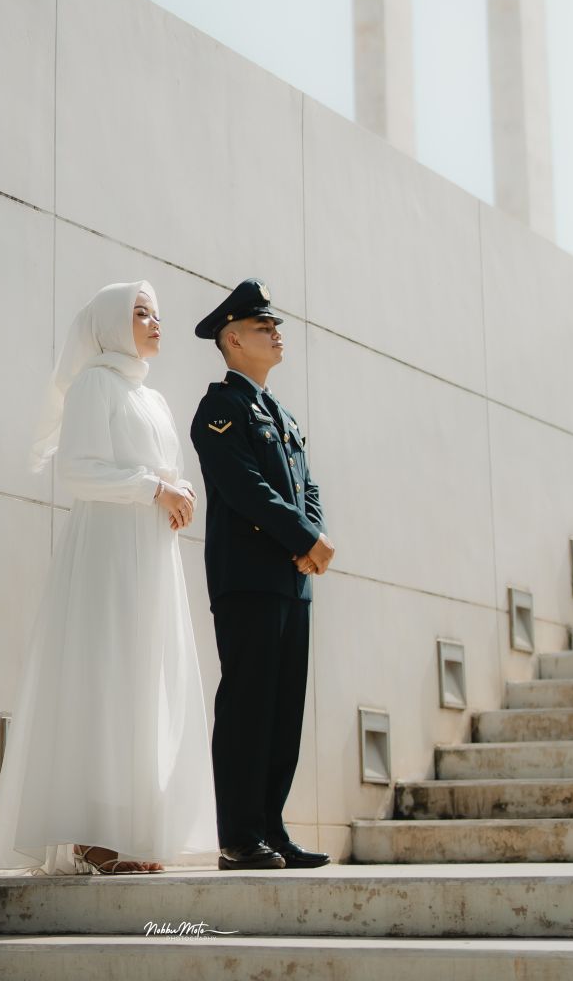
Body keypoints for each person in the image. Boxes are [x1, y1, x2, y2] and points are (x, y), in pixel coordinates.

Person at [0, 280, 215, 875]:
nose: (155, 323)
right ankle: (93, 837)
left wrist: (181, 491)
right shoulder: (94, 385)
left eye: (156, 314)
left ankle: (135, 832)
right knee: (105, 680)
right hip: (108, 556)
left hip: (152, 557)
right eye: (140, 313)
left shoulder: (153, 398)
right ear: (110, 324)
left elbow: (169, 470)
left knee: (145, 681)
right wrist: (155, 489)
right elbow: (79, 471)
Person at [190, 279, 334, 871]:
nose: (276, 334)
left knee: (283, 711)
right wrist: (305, 540)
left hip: (291, 580)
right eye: (262, 327)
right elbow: (246, 489)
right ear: (232, 339)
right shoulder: (220, 409)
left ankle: (272, 829)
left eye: (275, 326)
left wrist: (312, 539)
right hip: (248, 579)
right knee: (248, 707)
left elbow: (306, 487)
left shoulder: (282, 414)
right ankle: (239, 837)